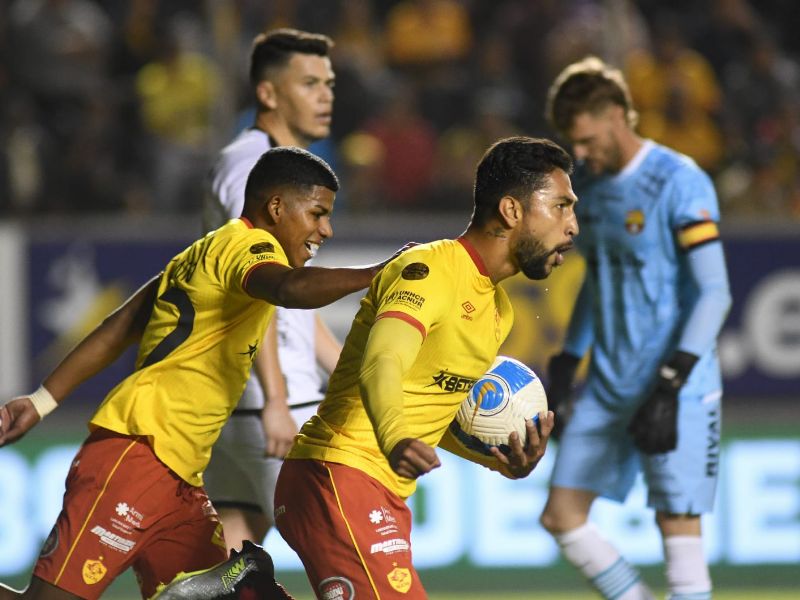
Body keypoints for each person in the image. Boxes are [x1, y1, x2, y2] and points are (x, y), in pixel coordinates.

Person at [0, 147, 395, 600]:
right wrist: (377, 273)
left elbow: (121, 326)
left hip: (178, 480)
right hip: (138, 454)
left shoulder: (203, 252)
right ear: (276, 207)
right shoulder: (251, 247)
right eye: (318, 213)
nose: (326, 229)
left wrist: (41, 399)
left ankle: (235, 581)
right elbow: (289, 288)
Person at [274, 136, 577, 599]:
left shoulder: (499, 309)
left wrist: (499, 460)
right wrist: (394, 437)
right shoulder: (431, 268)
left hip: (378, 489)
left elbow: (432, 410)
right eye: (560, 206)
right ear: (513, 211)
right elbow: (383, 361)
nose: (572, 226)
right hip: (338, 475)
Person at [539, 56, 732, 600]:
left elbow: (716, 292)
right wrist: (566, 359)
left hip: (676, 385)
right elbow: (597, 280)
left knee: (677, 527)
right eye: (570, 143)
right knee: (561, 515)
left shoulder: (679, 179)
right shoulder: (591, 192)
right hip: (608, 383)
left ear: (619, 114)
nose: (579, 154)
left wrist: (672, 381)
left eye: (584, 139)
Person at [202, 27, 343, 553]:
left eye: (328, 82)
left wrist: (347, 368)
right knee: (342, 550)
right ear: (268, 93)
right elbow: (257, 289)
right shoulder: (250, 169)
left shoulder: (283, 168)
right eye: (309, 83)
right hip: (271, 398)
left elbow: (292, 304)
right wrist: (277, 400)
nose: (326, 95)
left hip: (249, 398)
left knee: (233, 558)